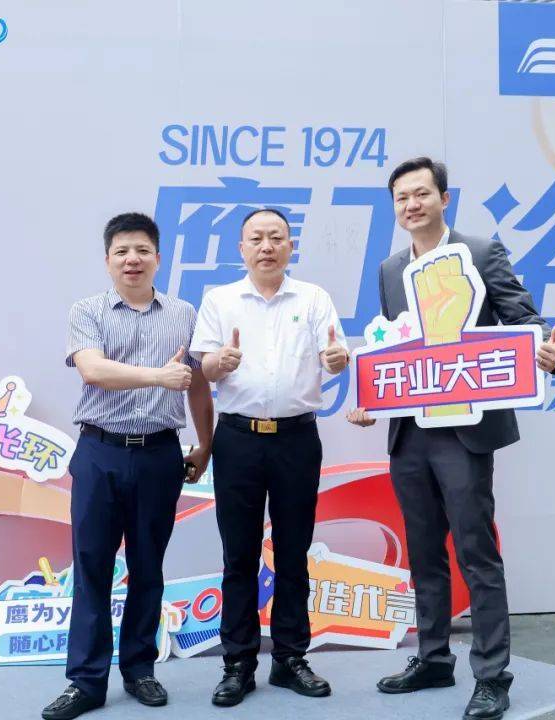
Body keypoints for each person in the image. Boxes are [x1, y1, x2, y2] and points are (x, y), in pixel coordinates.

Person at [347, 158, 555, 720]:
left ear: (444, 199)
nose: (411, 205)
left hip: (465, 432)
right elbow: (394, 345)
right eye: (401, 198)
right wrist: (373, 397)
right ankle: (433, 658)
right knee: (424, 552)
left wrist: (551, 353)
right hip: (410, 434)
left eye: (421, 194)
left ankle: (492, 676)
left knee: (476, 552)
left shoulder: (480, 251)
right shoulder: (390, 268)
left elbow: (524, 318)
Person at [43, 212, 214, 720]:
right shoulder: (88, 311)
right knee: (92, 567)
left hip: (160, 454)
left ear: (158, 258)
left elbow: (198, 385)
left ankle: (140, 670)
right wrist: (160, 377)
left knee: (148, 567)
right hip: (100, 451)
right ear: (108, 260)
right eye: (121, 251)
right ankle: (86, 681)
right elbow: (93, 369)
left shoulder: (185, 313)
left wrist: (206, 445)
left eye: (141, 250)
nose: (131, 259)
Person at [190, 208, 349, 706]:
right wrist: (219, 362)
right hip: (237, 439)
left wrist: (337, 359)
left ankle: (290, 658)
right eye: (256, 238)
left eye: (276, 237)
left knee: (294, 552)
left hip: (296, 440)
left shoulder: (314, 298)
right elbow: (203, 367)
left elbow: (336, 355)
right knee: (238, 554)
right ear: (241, 249)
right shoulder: (220, 300)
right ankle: (238, 662)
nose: (266, 246)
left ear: (289, 246)